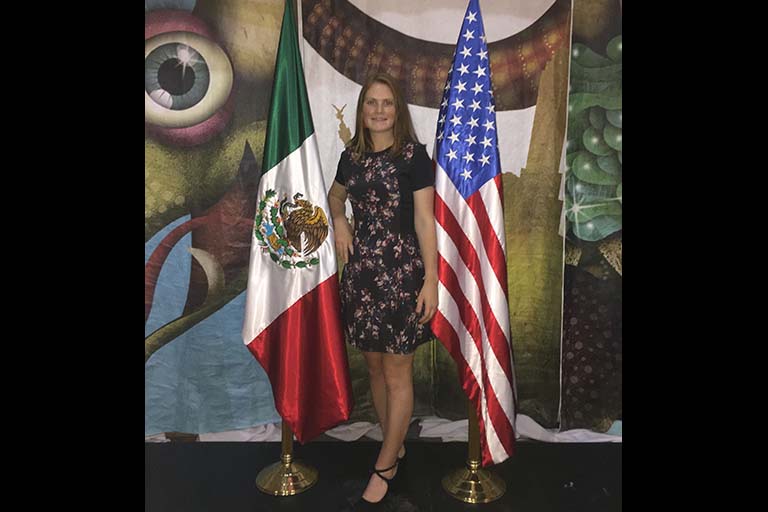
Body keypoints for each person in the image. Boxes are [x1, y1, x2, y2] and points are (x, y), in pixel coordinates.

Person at [328, 72, 438, 508]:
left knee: (397, 372)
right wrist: (339, 221)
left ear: (398, 110)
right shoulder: (350, 157)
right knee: (374, 367)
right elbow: (336, 198)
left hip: (402, 275)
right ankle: (393, 443)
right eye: (371, 103)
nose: (378, 110)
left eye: (387, 103)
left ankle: (386, 464)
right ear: (361, 110)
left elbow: (425, 220)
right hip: (361, 279)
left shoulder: (414, 157)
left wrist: (430, 279)